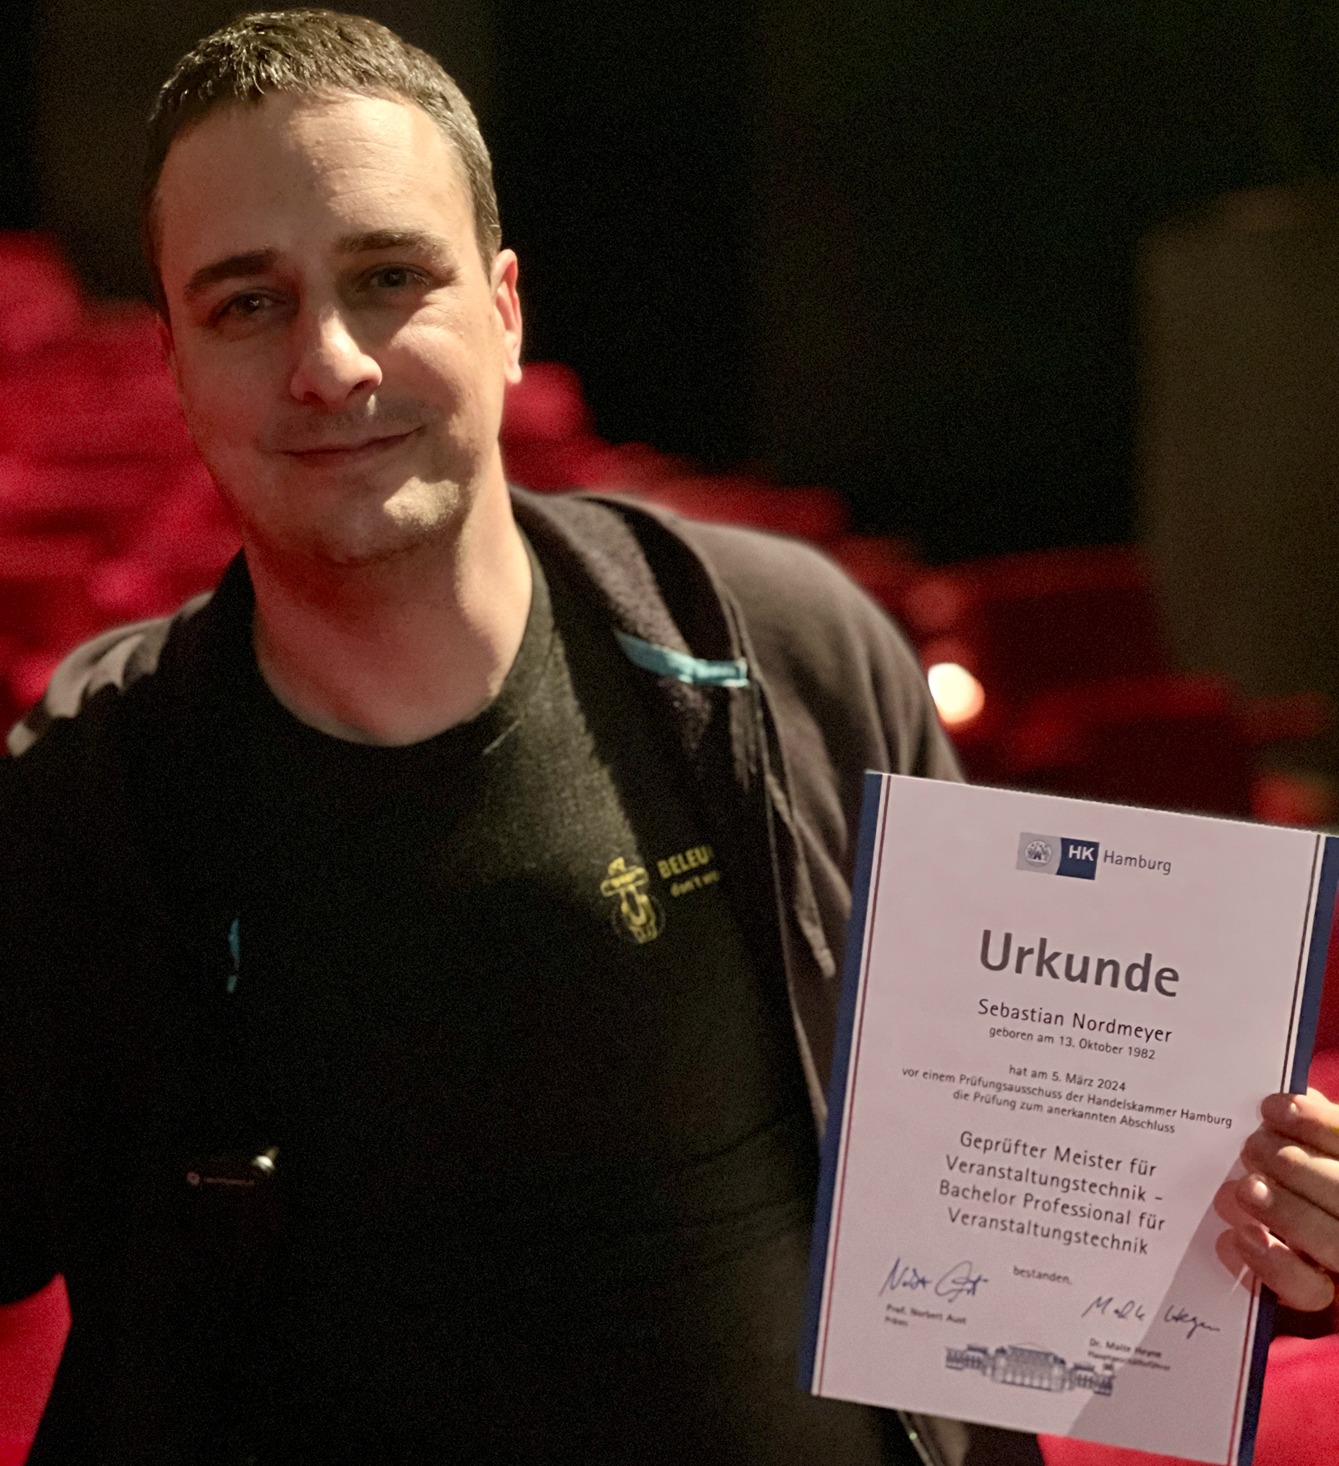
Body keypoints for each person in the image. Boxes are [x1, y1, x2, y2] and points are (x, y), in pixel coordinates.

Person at [0, 10, 1335, 1465]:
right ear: (176, 364)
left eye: (390, 278)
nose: (331, 361)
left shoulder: (788, 647)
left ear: (506, 311)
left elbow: (1028, 1207)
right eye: (247, 304)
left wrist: (1263, 1231)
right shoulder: (92, 794)